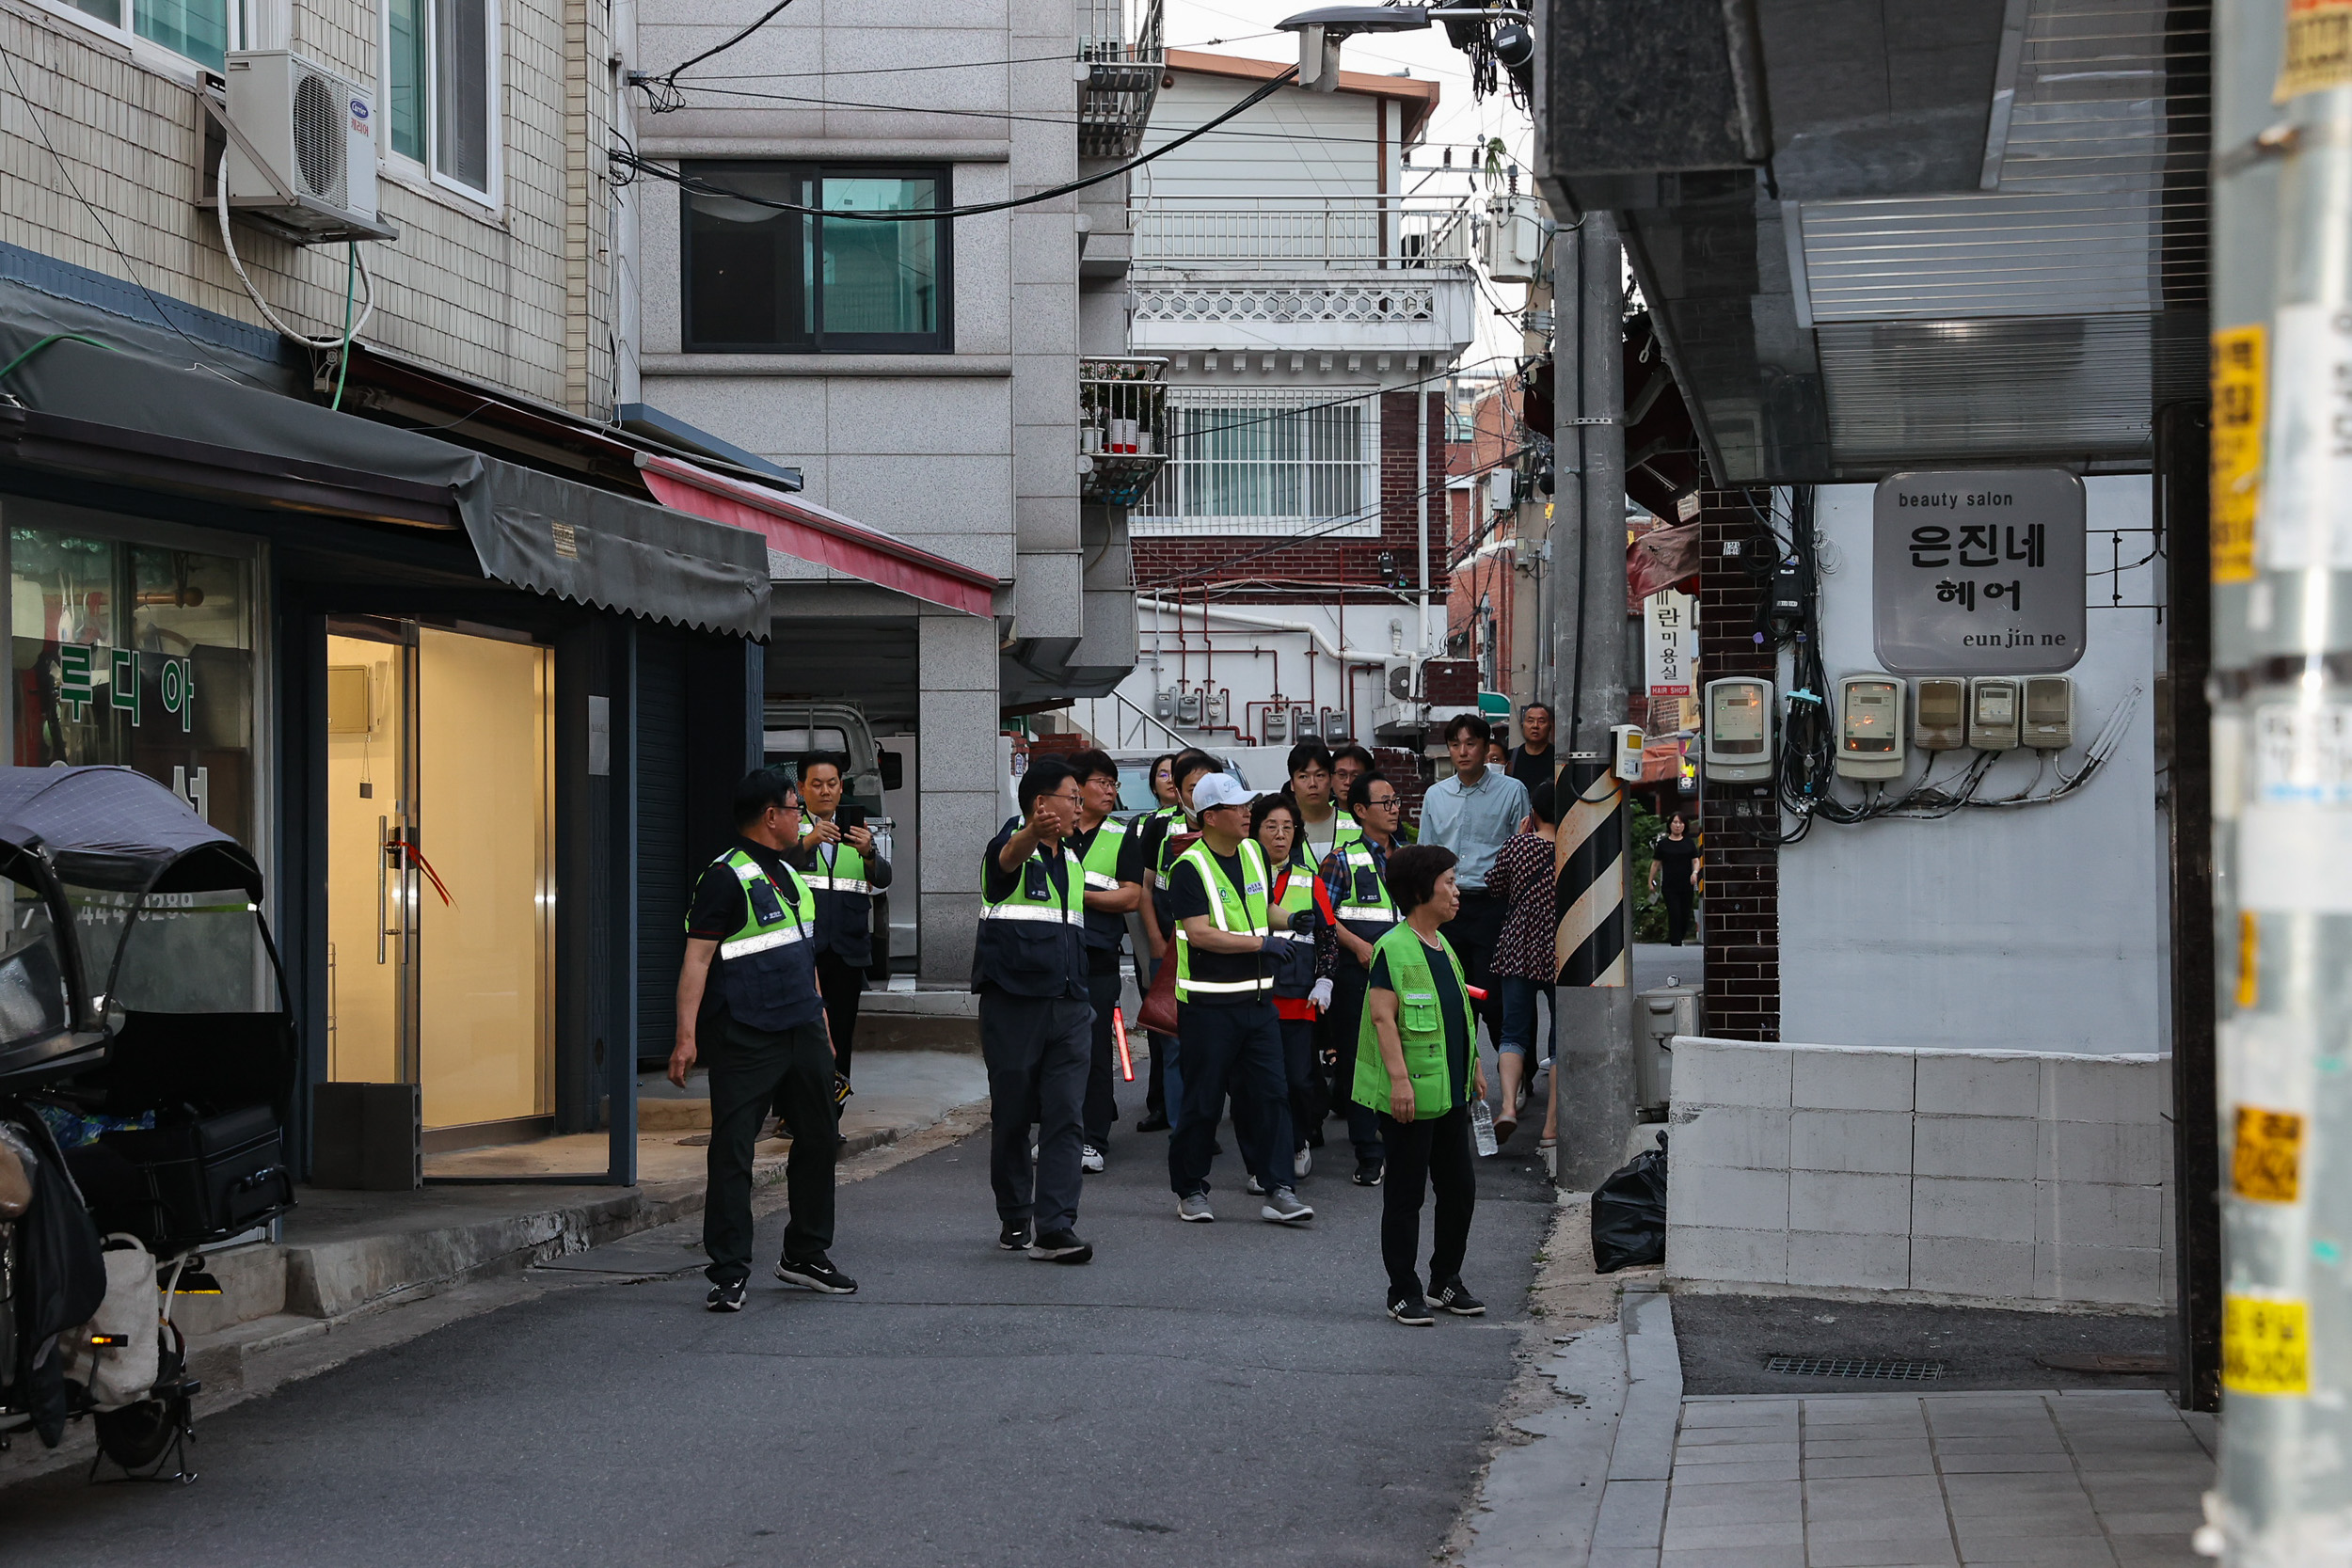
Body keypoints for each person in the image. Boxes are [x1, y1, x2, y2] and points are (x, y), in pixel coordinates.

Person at [672, 769, 855, 1312]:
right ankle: (728, 1270)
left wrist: (821, 1023)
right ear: (770, 816)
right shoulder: (724, 877)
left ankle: (805, 1253)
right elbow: (696, 960)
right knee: (733, 1151)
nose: (803, 815)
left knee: (821, 1139)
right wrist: (685, 1037)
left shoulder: (793, 874)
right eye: (796, 807)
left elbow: (803, 954)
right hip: (745, 1034)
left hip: (802, 1028)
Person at [1167, 772, 1312, 1226]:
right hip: (1209, 1006)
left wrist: (1290, 919)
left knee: (1271, 1095)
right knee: (1204, 1101)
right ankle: (1190, 1190)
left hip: (1257, 1003)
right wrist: (1261, 946)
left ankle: (1278, 1188)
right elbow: (1199, 933)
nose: (1249, 813)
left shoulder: (1251, 852)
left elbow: (1260, 909)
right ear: (1211, 817)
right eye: (1238, 807)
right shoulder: (1188, 867)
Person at [1357, 844, 1486, 1326]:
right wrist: (1398, 1082)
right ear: (1419, 891)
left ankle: (1445, 1280)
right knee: (1407, 1195)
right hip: (1410, 1096)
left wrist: (1472, 1065)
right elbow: (1383, 1019)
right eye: (1449, 882)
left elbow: (1455, 1017)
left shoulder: (1442, 944)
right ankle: (1402, 1290)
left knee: (1460, 1190)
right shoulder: (1395, 946)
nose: (1456, 892)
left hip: (1449, 1092)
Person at [973, 757, 1095, 1263]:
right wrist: (1029, 832)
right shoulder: (1006, 849)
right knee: (1013, 1116)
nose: (1079, 806)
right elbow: (1007, 859)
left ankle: (1055, 1227)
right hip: (1014, 1005)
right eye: (1073, 797)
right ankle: (1015, 1213)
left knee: (1067, 1116)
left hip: (1069, 1005)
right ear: (1042, 804)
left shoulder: (1072, 860)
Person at [1312, 770, 1406, 1186]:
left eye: (1395, 801)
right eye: (1385, 803)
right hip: (1358, 973)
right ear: (1361, 811)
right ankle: (1368, 1151)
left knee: (1401, 1055)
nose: (1394, 809)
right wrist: (1358, 947)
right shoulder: (1341, 860)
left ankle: (1401, 1142)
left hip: (1404, 973)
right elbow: (1325, 919)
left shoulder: (1408, 856)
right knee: (1359, 1059)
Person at [1419, 713, 1530, 1050]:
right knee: (1452, 997)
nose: (1463, 751)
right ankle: (1460, 1081)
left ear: (1485, 748)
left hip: (1493, 905)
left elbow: (1520, 852)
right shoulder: (1435, 796)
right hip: (1447, 907)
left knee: (1494, 999)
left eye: (1471, 743)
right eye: (1455, 744)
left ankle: (1515, 1074)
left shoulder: (1512, 791)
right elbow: (1426, 854)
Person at [1065, 749, 1144, 1172]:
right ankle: (1063, 1132)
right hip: (1054, 955)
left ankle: (1093, 1138)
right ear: (1077, 786)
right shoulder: (1052, 830)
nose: (1112, 791)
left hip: (1097, 956)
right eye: (1104, 782)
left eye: (1114, 784)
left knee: (1093, 1049)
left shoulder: (1120, 835)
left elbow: (1131, 895)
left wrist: (1080, 896)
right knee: (1057, 1050)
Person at [1134, 749, 1220, 1133]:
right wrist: (1155, 939)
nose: (1201, 794)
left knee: (1215, 1045)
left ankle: (1207, 1120)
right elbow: (1145, 888)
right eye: (1192, 787)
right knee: (1173, 1041)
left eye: (1209, 786)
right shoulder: (1159, 827)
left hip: (1221, 951)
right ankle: (1184, 1129)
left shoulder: (1235, 829)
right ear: (1180, 792)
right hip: (1170, 950)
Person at [791, 758, 889, 1092]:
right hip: (804, 952)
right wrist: (809, 841)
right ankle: (794, 1113)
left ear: (841, 787)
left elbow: (883, 878)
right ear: (801, 788)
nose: (825, 791)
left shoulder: (859, 830)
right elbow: (777, 869)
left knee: (841, 1036)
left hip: (847, 951)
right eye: (816, 784)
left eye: (832, 783)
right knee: (801, 1033)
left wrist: (869, 852)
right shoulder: (793, 829)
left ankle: (832, 1115)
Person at [1248, 793, 1321, 1182]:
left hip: (1297, 997)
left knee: (1297, 1079)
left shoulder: (1310, 879)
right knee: (1259, 1083)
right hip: (1252, 994)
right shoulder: (1242, 876)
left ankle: (1298, 1141)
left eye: (1288, 827)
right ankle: (1266, 1156)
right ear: (1256, 831)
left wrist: (1324, 979)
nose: (1280, 835)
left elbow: (1327, 935)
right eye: (1271, 827)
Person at [1485, 781, 1559, 1147]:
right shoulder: (1574, 849)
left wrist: (1518, 838)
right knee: (1561, 1038)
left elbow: (1495, 886)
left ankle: (1508, 1108)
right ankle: (1551, 1127)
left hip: (1517, 948)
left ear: (1535, 813)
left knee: (1513, 1032)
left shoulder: (1518, 845)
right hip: (1562, 951)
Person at [1283, 740, 1358, 871]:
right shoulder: (1281, 830)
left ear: (1330, 780)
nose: (1313, 784)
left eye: (1320, 775)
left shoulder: (1357, 824)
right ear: (1292, 784)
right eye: (1303, 776)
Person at [1650, 812, 1703, 947]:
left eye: (1680, 823)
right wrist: (1650, 880)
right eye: (1675, 822)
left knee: (1685, 913)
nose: (1678, 825)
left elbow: (1696, 861)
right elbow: (1655, 863)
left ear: (1685, 825)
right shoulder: (1663, 844)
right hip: (1669, 885)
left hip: (1686, 884)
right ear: (1670, 825)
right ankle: (1675, 941)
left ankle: (1681, 935)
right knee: (1674, 912)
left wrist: (1695, 873)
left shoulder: (1689, 843)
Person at [1506, 703, 1556, 788]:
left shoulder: (1557, 758)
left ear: (1550, 727)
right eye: (1530, 721)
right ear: (1522, 726)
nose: (1535, 726)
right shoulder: (1510, 757)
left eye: (1541, 721)